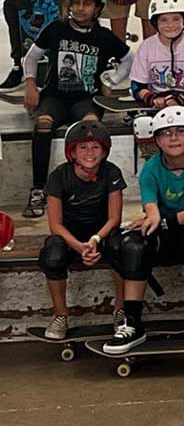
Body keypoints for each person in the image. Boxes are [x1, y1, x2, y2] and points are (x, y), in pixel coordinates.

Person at [102, 105, 184, 354]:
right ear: (156, 139)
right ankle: (133, 323)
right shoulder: (151, 168)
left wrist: (168, 220)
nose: (173, 138)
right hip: (171, 231)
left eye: (181, 131)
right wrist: (154, 219)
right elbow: (152, 209)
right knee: (133, 244)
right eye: (166, 133)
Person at [20, 0, 130, 217]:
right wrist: (30, 85)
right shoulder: (56, 29)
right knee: (43, 126)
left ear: (98, 8)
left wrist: (109, 80)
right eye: (76, 2)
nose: (80, 8)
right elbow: (30, 57)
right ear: (68, 4)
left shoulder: (103, 37)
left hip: (87, 98)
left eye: (87, 4)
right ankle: (39, 188)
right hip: (55, 96)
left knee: (92, 129)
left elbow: (129, 60)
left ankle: (94, 185)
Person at [38, 120, 126, 340]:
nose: (90, 152)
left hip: (102, 233)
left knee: (123, 247)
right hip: (69, 236)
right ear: (72, 152)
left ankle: (121, 310)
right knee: (52, 254)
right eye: (83, 147)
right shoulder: (59, 176)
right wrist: (78, 245)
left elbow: (115, 218)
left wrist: (95, 240)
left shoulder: (111, 172)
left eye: (96, 147)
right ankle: (61, 315)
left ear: (104, 151)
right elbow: (55, 224)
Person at [129, 0, 184, 108]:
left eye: (176, 19)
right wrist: (152, 99)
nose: (170, 25)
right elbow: (136, 85)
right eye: (164, 20)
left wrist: (182, 98)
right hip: (156, 99)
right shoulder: (146, 46)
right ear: (155, 22)